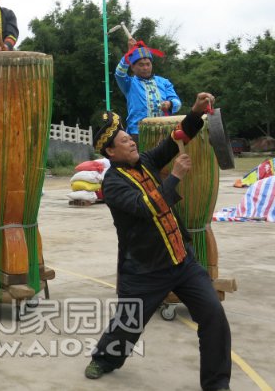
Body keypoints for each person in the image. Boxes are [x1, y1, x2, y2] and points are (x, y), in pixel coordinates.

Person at [84, 92, 231, 391]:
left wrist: (195, 112)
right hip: (145, 270)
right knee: (127, 326)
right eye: (125, 141)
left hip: (181, 260)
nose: (132, 142)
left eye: (130, 138)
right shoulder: (113, 184)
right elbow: (146, 207)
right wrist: (174, 177)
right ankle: (105, 358)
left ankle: (217, 385)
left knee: (214, 315)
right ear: (111, 152)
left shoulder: (146, 160)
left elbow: (177, 138)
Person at [115, 38, 182, 143]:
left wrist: (170, 104)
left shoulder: (164, 82)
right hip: (138, 133)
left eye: (148, 64)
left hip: (164, 132)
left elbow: (177, 103)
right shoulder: (129, 84)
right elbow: (119, 73)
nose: (145, 67)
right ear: (132, 67)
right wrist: (129, 52)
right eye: (141, 65)